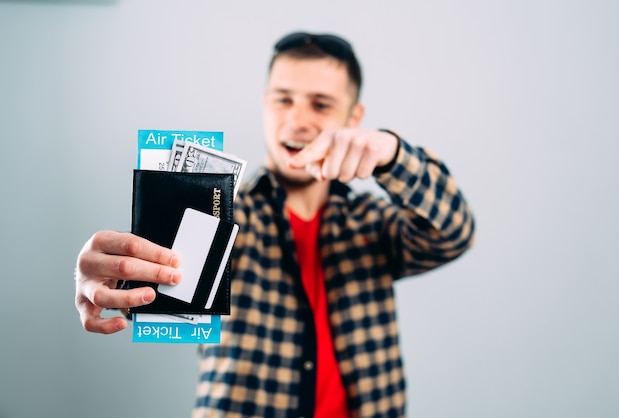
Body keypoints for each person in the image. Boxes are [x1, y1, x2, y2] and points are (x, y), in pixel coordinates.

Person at [75, 31, 476, 418]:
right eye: (284, 100)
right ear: (266, 103)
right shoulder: (221, 217)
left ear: (354, 118)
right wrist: (113, 280)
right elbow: (154, 284)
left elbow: (454, 233)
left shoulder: (372, 222)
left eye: (321, 104)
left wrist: (392, 152)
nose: (297, 120)